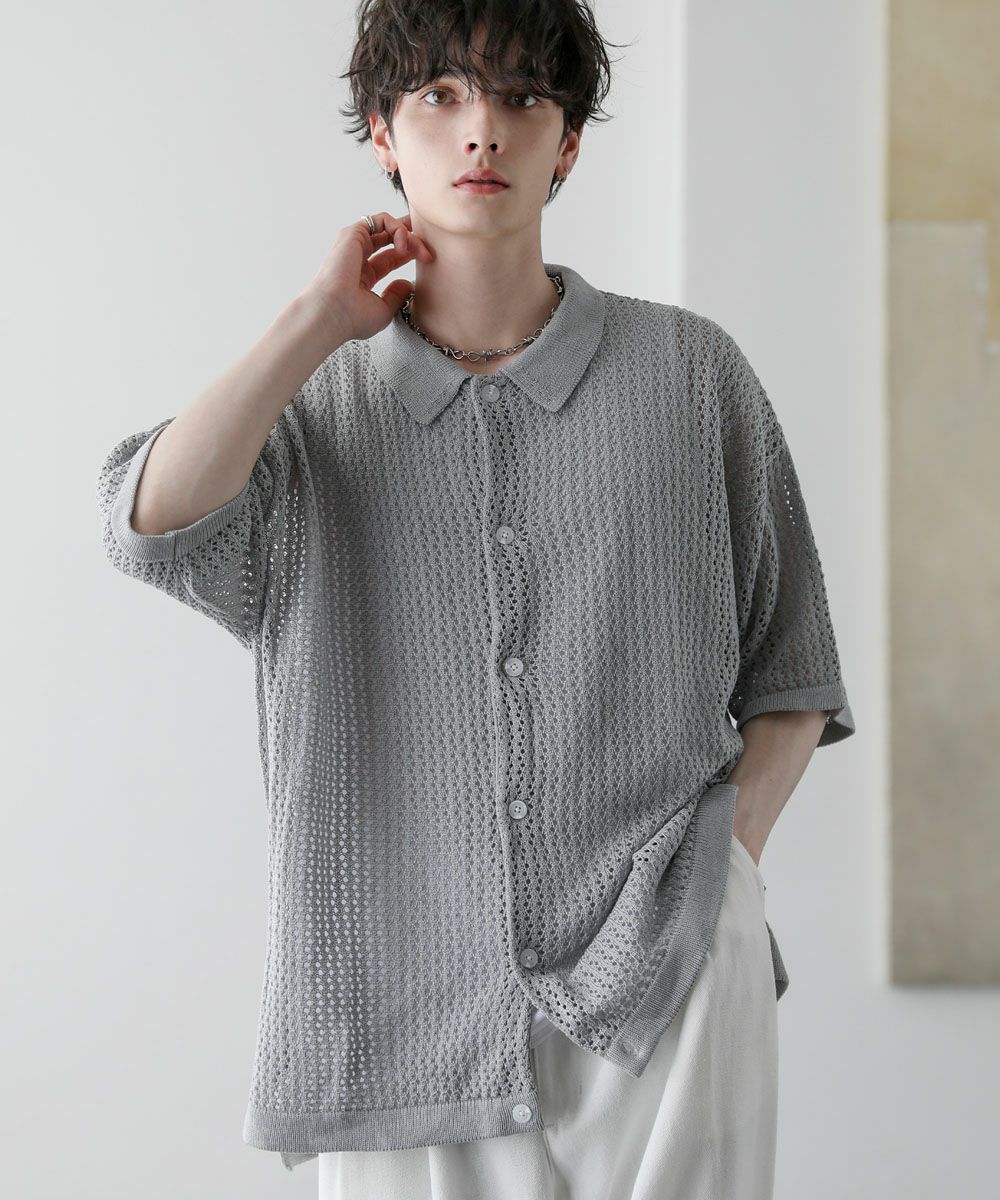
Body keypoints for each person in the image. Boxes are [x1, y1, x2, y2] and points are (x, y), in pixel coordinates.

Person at [95, 2, 855, 1197]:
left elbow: (793, 674)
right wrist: (315, 322)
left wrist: (723, 875)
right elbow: (148, 529)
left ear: (569, 143)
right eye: (439, 95)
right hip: (396, 1007)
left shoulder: (690, 375)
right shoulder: (316, 414)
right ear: (381, 135)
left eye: (521, 97)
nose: (482, 128)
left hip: (670, 980)